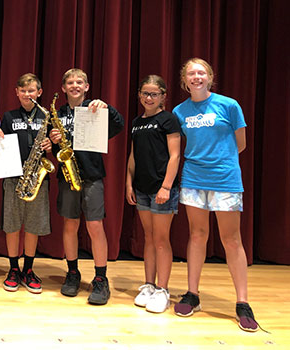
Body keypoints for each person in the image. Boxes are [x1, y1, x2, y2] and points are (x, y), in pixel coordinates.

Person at [172, 58, 258, 332]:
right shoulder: (179, 111)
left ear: (210, 77)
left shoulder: (229, 105)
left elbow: (240, 144)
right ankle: (193, 294)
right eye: (191, 74)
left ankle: (242, 302)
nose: (196, 77)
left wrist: (220, 162)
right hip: (194, 179)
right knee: (197, 235)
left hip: (225, 179)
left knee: (231, 240)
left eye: (201, 73)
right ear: (185, 81)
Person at [49, 68, 124, 305]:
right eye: (70, 82)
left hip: (91, 175)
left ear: (86, 86)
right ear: (63, 88)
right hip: (67, 175)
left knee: (94, 225)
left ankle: (101, 278)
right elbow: (52, 150)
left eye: (79, 82)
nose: (74, 86)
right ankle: (72, 273)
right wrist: (53, 142)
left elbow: (118, 125)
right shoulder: (58, 113)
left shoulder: (95, 107)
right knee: (70, 225)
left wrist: (107, 108)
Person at [0, 73, 52, 294]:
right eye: (23, 91)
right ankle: (13, 268)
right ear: (16, 92)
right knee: (12, 224)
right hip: (13, 175)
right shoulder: (8, 116)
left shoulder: (46, 116)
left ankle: (29, 269)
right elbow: (0, 142)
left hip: (38, 176)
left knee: (33, 225)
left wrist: (50, 145)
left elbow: (57, 144)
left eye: (31, 90)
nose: (27, 94)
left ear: (39, 93)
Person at [125, 75, 181, 313]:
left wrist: (166, 187)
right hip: (142, 189)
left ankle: (163, 289)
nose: (149, 98)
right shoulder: (137, 122)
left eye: (154, 94)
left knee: (161, 239)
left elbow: (175, 155)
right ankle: (148, 284)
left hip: (162, 189)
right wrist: (129, 183)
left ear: (163, 97)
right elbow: (133, 156)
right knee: (148, 237)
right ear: (139, 95)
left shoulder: (168, 120)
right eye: (145, 94)